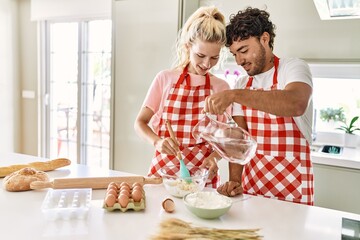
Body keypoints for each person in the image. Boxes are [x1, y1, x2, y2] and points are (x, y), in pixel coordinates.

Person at [204, 7, 314, 205]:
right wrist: (235, 181)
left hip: (292, 192)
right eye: (234, 54)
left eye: (244, 51)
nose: (239, 61)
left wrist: (234, 95)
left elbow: (296, 103)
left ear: (265, 39)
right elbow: (239, 139)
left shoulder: (293, 68)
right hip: (252, 189)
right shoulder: (242, 84)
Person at [134, 6, 230, 188]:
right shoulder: (165, 78)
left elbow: (226, 137)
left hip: (202, 178)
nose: (206, 64)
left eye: (214, 58)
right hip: (163, 175)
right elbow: (140, 123)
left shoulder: (221, 88)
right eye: (200, 55)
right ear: (188, 46)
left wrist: (215, 157)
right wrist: (158, 141)